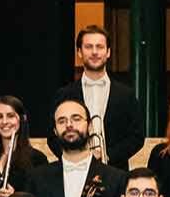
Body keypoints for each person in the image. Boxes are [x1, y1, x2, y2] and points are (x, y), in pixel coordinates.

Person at [53, 25, 143, 166]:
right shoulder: (64, 94)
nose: (94, 52)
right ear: (79, 52)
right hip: (73, 169)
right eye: (88, 47)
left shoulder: (126, 95)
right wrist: (76, 158)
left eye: (100, 47)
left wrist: (108, 156)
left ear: (108, 52)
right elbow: (52, 137)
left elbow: (136, 137)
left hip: (116, 173)